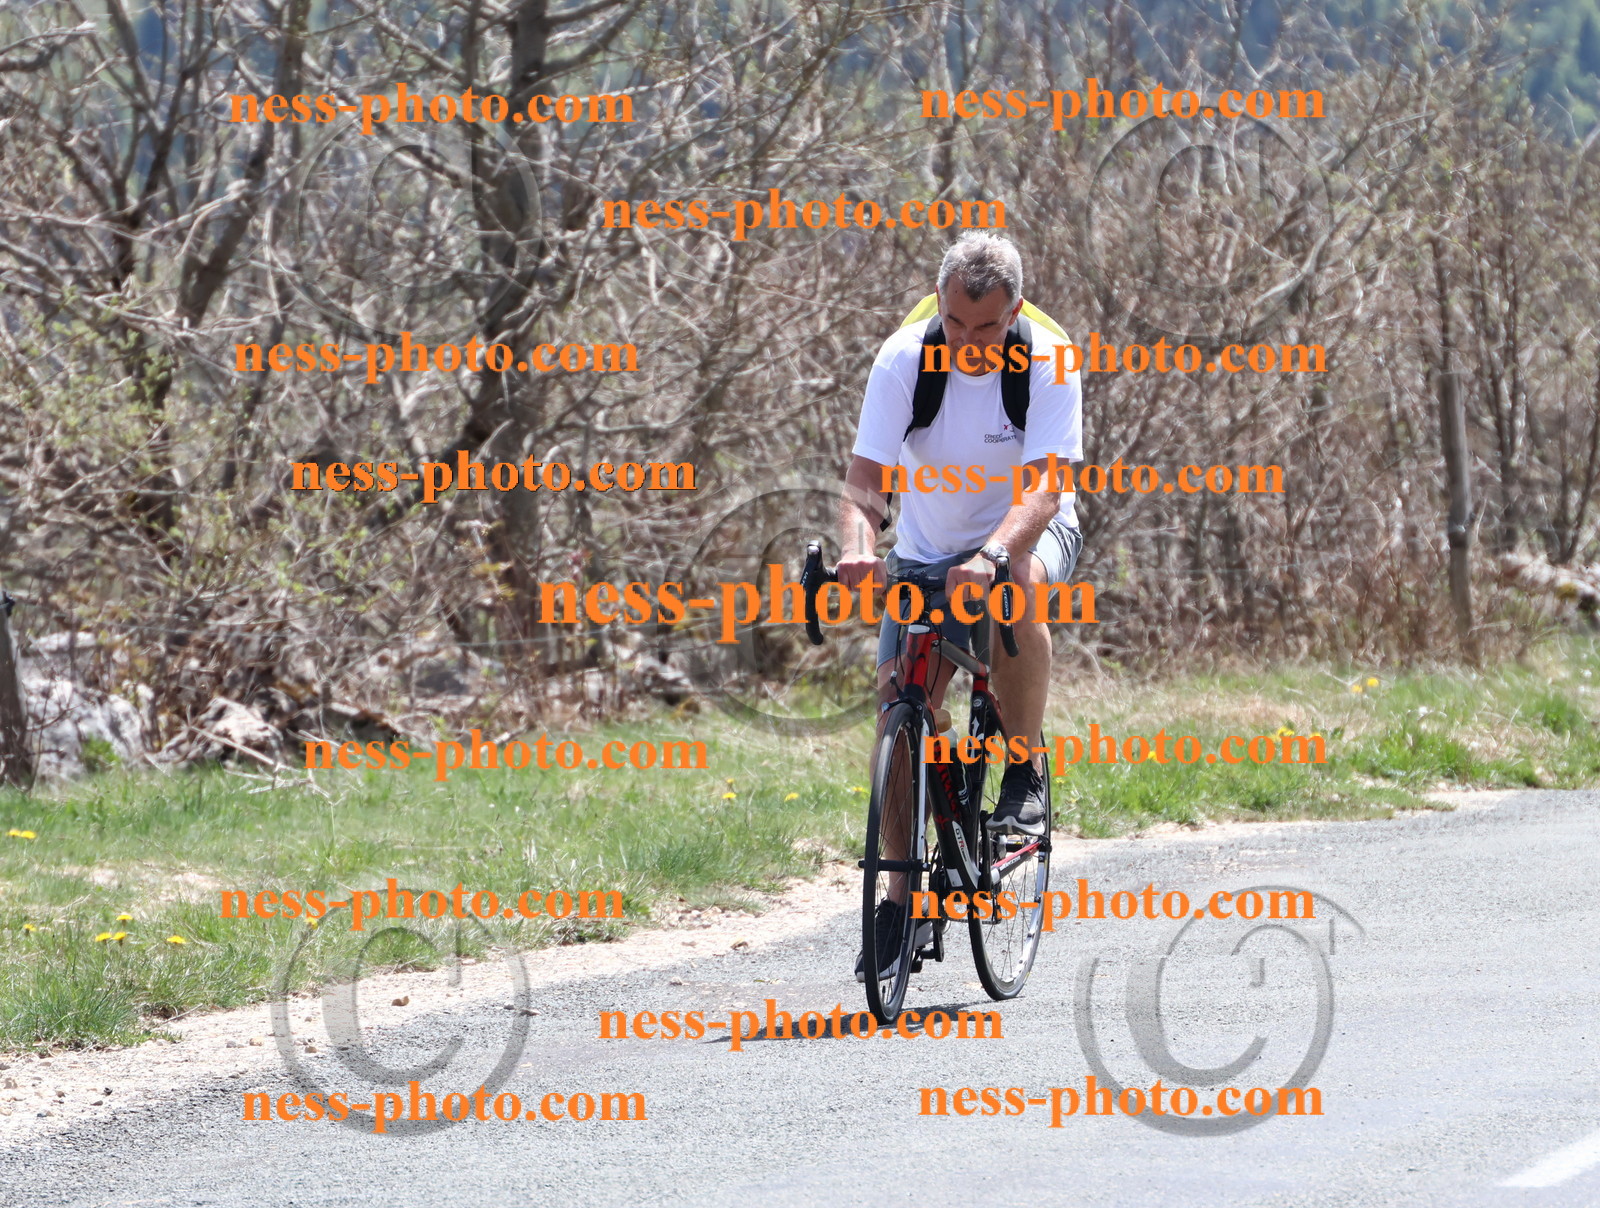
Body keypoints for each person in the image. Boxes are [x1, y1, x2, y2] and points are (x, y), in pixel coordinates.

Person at [835, 233, 1084, 979]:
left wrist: (989, 555)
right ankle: (899, 900)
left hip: (1024, 531)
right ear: (939, 305)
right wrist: (855, 545)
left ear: (1013, 311)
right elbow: (864, 480)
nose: (969, 344)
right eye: (956, 325)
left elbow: (1044, 487)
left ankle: (1025, 769)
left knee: (1016, 587)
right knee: (897, 709)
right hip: (924, 545)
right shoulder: (903, 359)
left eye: (987, 328)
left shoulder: (1049, 358)